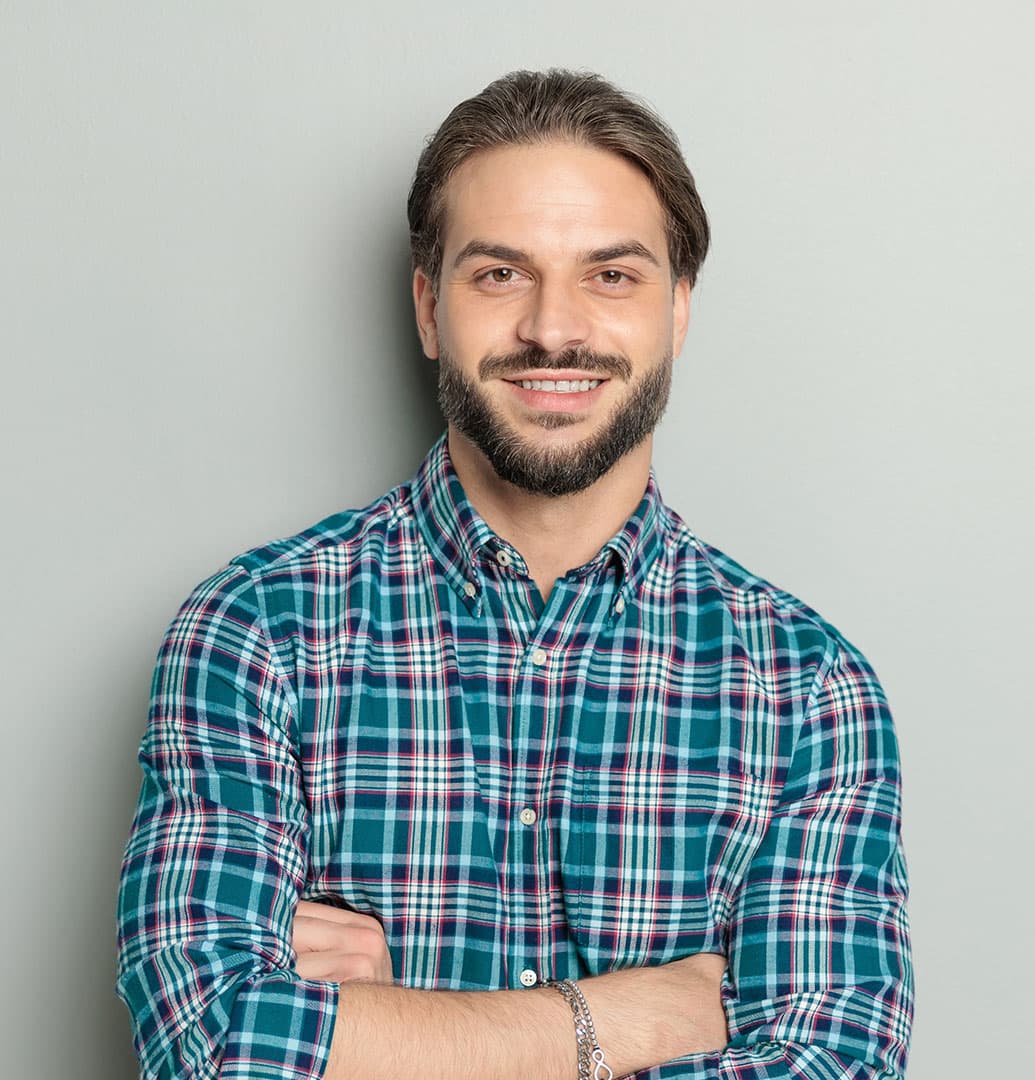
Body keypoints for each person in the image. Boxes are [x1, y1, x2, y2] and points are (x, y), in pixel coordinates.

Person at [117, 69, 913, 1079]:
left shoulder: (808, 689)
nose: (553, 327)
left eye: (611, 275)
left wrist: (398, 1029)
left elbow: (834, 1065)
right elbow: (211, 1048)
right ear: (426, 307)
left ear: (677, 311)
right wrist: (626, 1019)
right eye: (500, 274)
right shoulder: (257, 633)